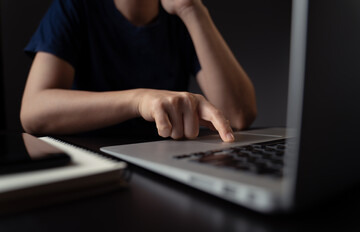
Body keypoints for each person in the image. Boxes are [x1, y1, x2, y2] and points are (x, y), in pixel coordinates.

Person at [20, 0, 257, 142]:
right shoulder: (75, 7)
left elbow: (238, 116)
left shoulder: (178, 17)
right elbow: (34, 111)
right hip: (92, 161)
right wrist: (138, 100)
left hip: (165, 162)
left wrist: (191, 8)